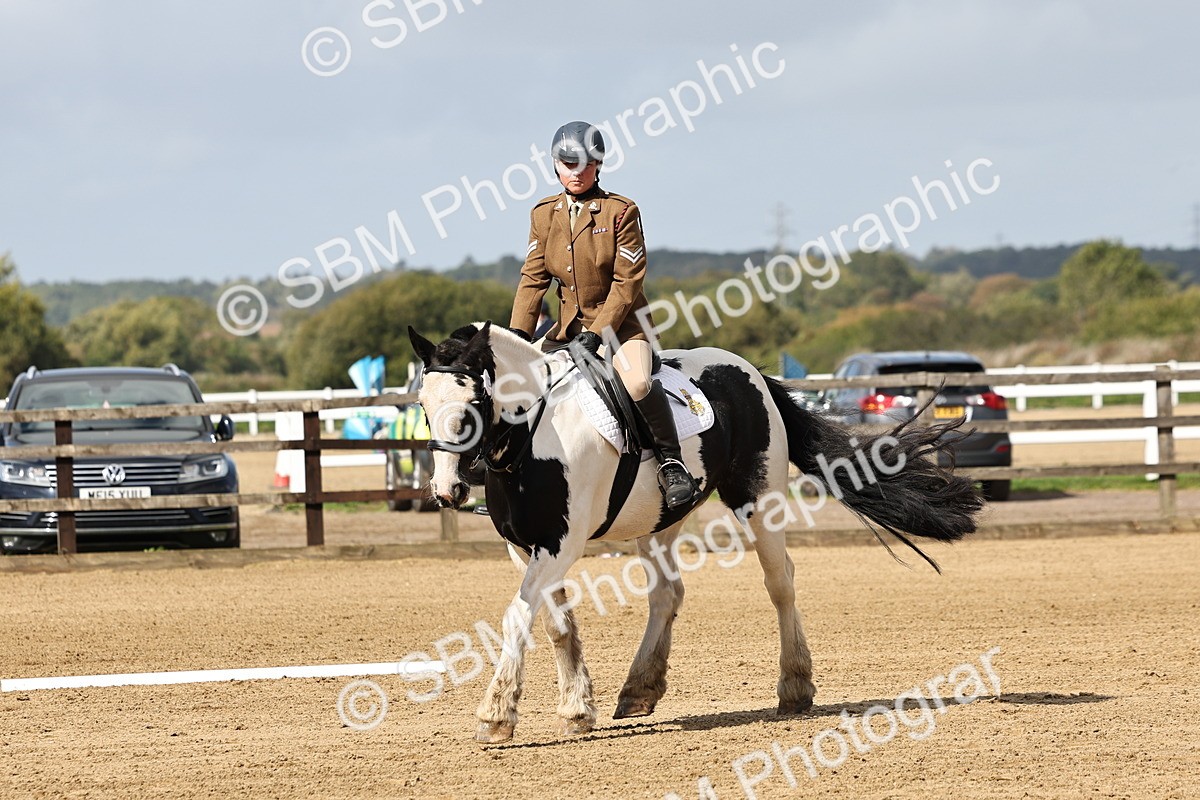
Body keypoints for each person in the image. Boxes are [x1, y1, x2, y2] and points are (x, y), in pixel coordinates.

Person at [509, 121, 697, 508]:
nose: (576, 173)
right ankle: (503, 474)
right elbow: (532, 280)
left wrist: (597, 333)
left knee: (638, 384)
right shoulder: (543, 215)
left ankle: (671, 463)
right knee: (514, 383)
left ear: (598, 165)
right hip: (565, 331)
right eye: (568, 164)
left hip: (623, 329)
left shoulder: (621, 212)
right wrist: (517, 338)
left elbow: (627, 282)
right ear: (555, 165)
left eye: (585, 164)